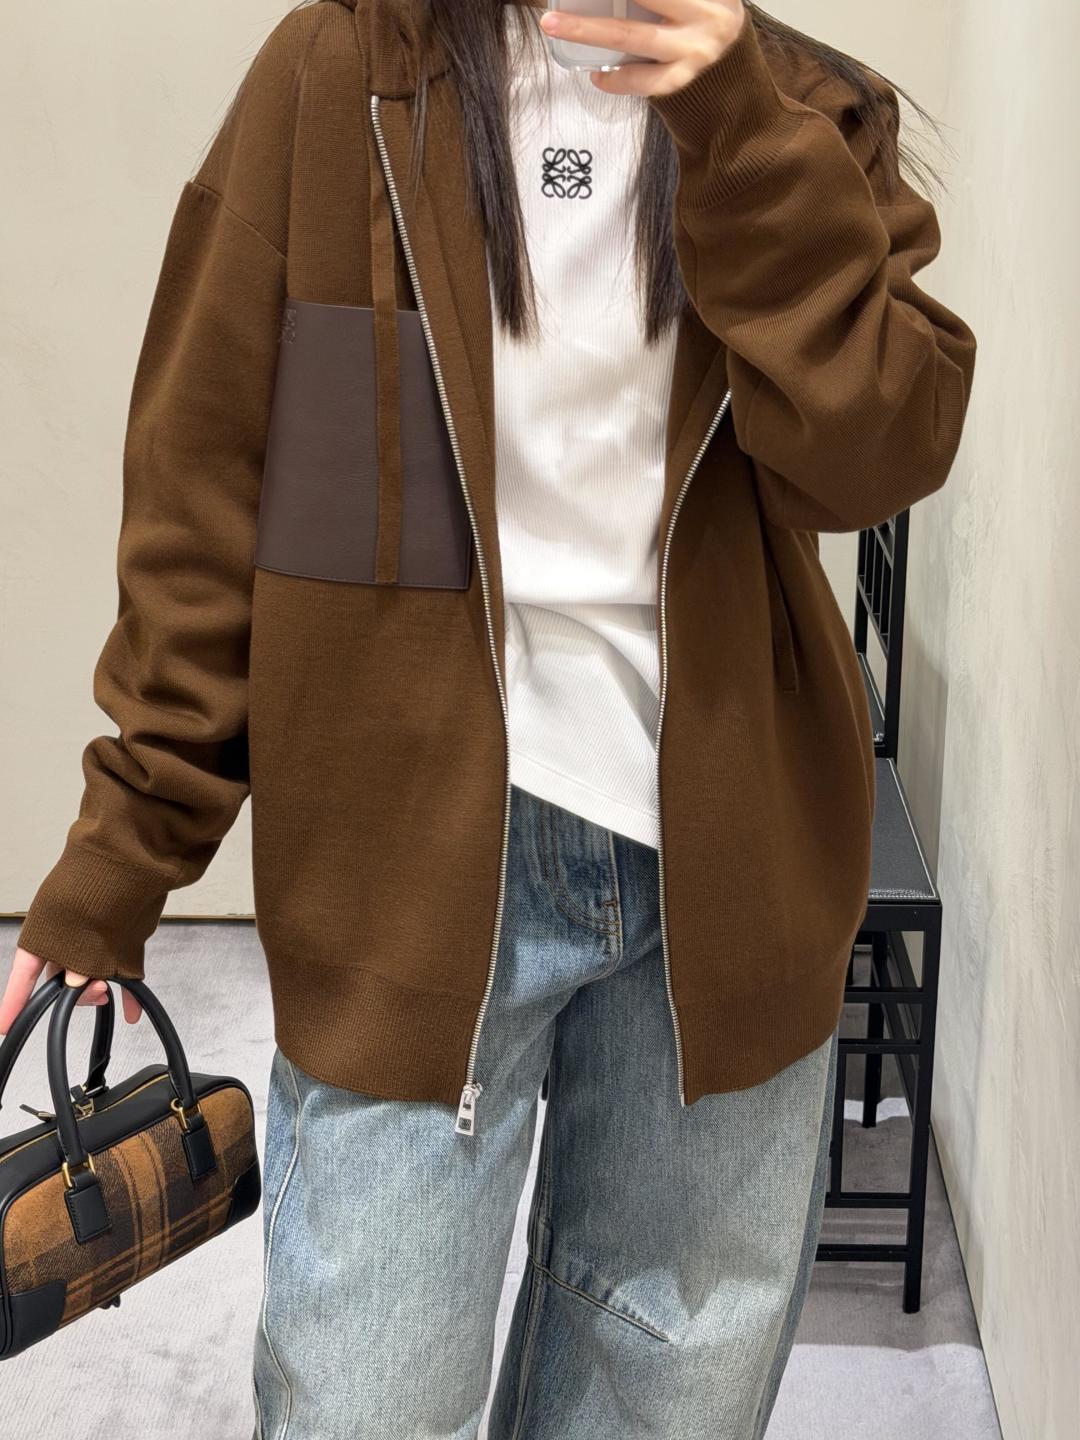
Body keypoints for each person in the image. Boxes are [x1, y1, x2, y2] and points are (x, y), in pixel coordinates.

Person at [3, 1, 976, 1435]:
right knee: (361, 1398)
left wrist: (736, 132)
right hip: (410, 868)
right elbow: (206, 492)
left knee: (666, 1396)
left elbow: (882, 453)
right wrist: (123, 849)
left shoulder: (804, 116)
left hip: (728, 868)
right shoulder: (340, 79)